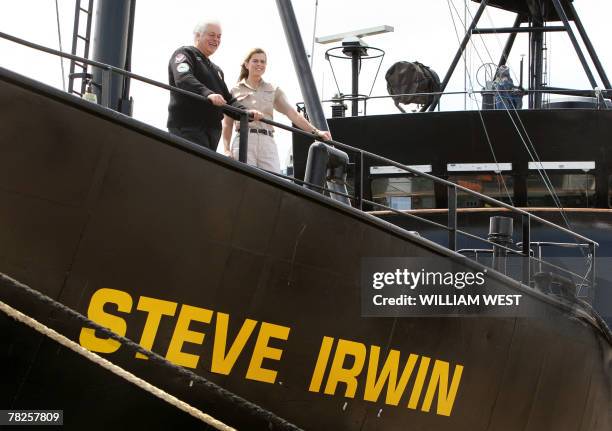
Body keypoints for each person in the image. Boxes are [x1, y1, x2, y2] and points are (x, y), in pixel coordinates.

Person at [222, 48, 332, 173]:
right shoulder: (235, 90)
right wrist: (226, 149)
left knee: (274, 181)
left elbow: (293, 114)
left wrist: (316, 132)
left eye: (263, 62)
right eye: (255, 61)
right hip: (244, 140)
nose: (259, 64)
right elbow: (227, 123)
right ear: (246, 64)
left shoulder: (273, 89)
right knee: (244, 180)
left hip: (267, 141)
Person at [167, 20, 262, 151]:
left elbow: (228, 99)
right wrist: (208, 94)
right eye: (211, 35)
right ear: (198, 35)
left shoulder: (217, 70)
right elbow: (184, 79)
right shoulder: (185, 54)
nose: (216, 39)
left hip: (211, 133)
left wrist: (245, 112)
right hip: (189, 128)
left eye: (219, 36)